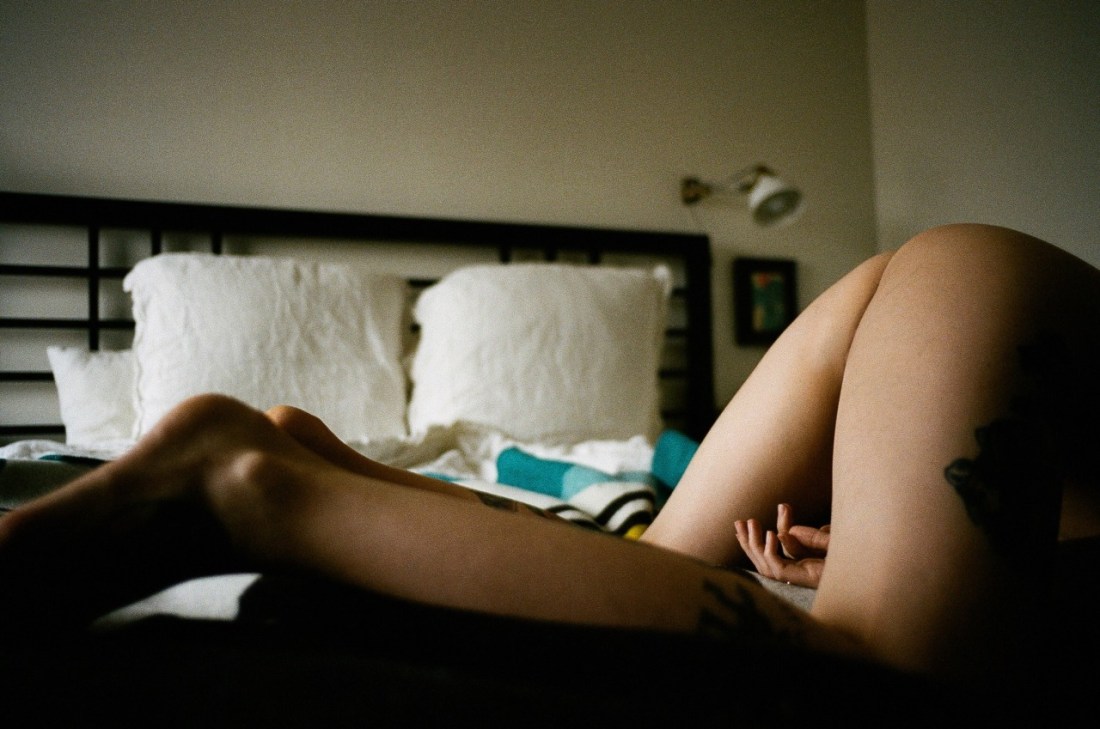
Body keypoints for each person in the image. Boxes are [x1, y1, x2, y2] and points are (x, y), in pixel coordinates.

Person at [1, 224, 1097, 690]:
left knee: (667, 564)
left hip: (947, 285)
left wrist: (883, 544)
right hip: (977, 296)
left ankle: (305, 469)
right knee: (888, 672)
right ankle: (248, 490)